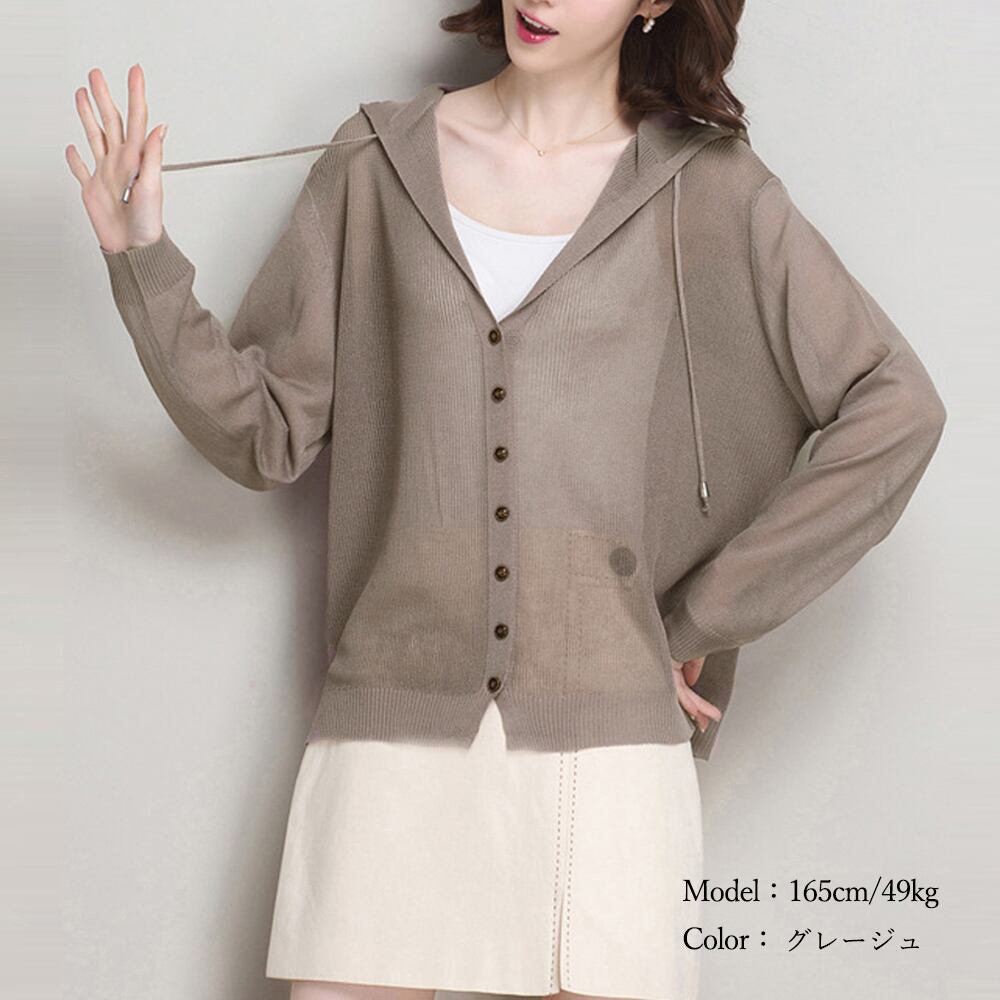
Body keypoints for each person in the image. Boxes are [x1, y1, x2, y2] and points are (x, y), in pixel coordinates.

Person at [66, 2, 947, 999]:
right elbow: (265, 431)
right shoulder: (376, 162)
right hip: (391, 724)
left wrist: (701, 615)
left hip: (609, 752)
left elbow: (896, 408)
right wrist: (142, 259)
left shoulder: (706, 187)